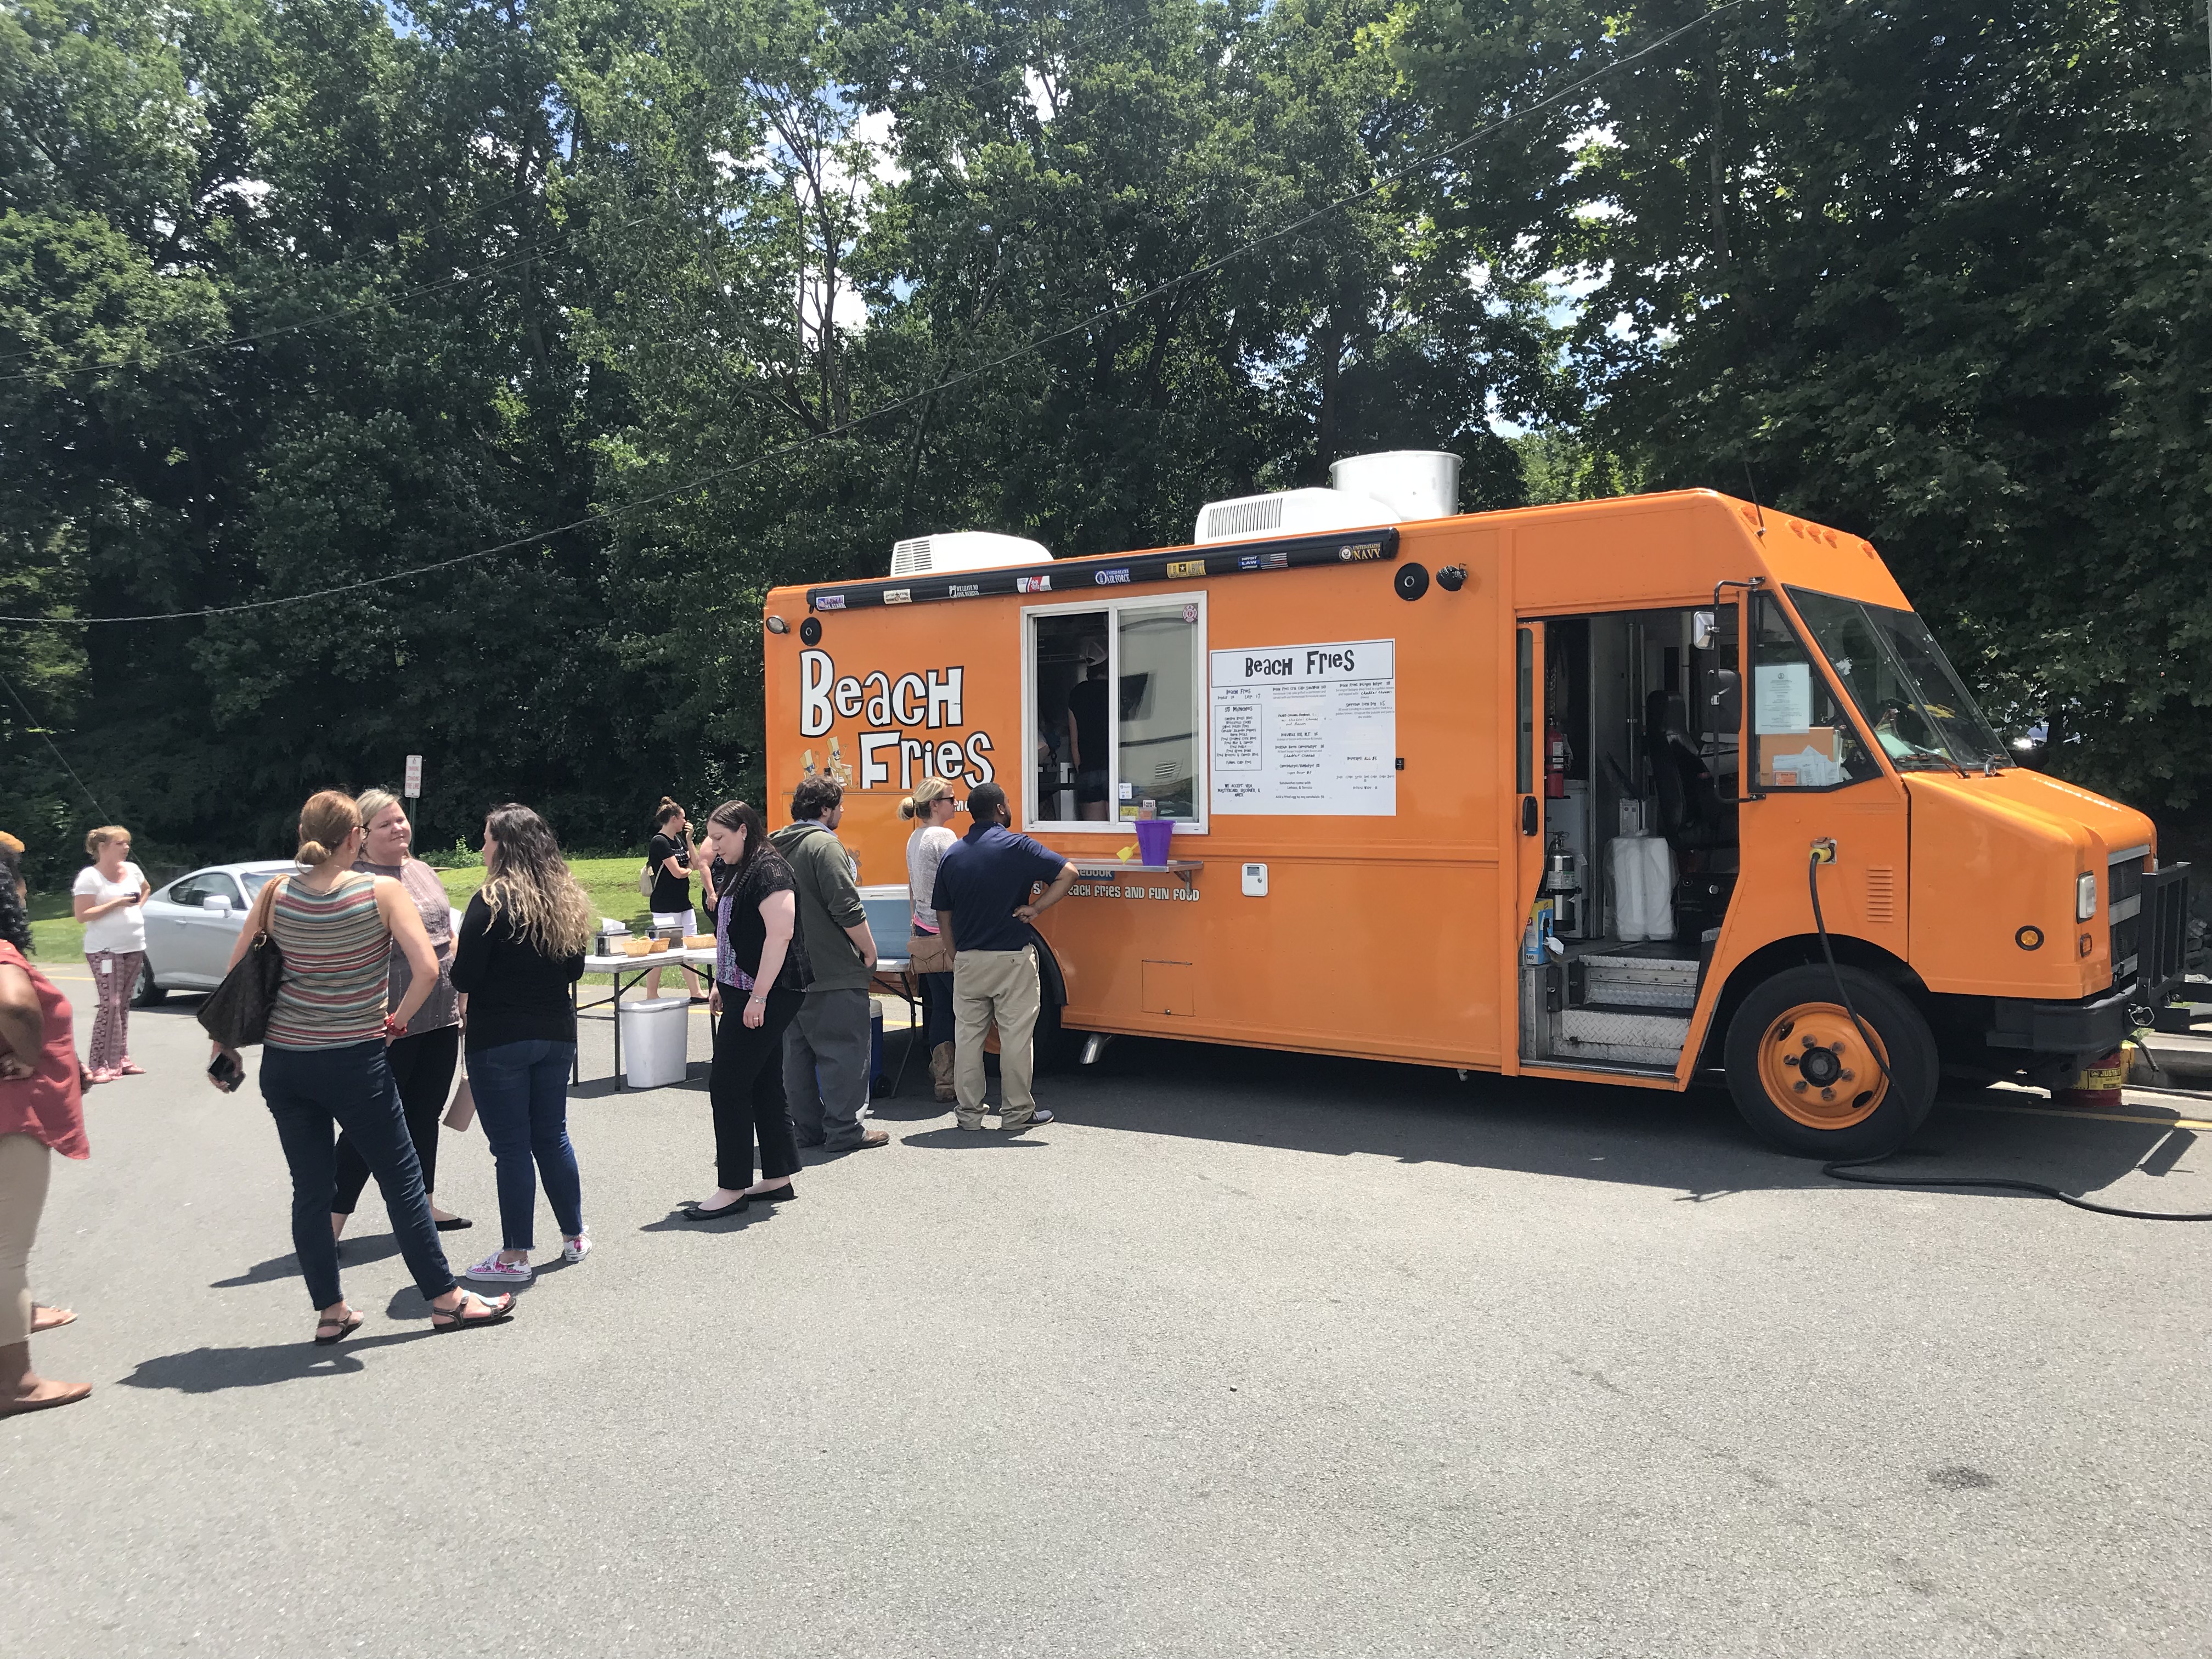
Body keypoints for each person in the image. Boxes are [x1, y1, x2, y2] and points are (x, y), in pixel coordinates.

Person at [210, 791, 514, 1342]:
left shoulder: (276, 894)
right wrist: (396, 1021)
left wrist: (224, 1048)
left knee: (311, 1191)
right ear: (354, 837)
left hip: (287, 1064)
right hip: (354, 1059)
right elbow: (427, 970)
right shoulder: (382, 891)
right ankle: (446, 1301)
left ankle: (331, 1311)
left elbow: (237, 974)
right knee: (403, 1182)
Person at [449, 804, 591, 1284]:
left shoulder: (490, 900)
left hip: (500, 1038)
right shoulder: (561, 896)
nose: (483, 846)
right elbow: (574, 969)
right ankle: (573, 1236)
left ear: (504, 845)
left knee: (511, 1148)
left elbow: (464, 975)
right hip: (555, 1032)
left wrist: (456, 953)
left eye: (487, 838)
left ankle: (514, 1256)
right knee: (552, 1136)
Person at [331, 787, 469, 1243]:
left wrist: (463, 995)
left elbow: (448, 934)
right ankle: (330, 1221)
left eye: (401, 820)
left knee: (423, 1115)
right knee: (368, 1124)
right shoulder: (354, 879)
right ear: (362, 836)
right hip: (386, 1022)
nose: (400, 828)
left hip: (440, 1017)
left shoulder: (423, 871)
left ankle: (423, 1203)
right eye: (387, 824)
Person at [681, 800, 806, 1221]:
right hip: (743, 989)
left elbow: (780, 936)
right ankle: (777, 1175)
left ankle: (731, 1187)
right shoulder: (739, 867)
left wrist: (758, 998)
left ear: (743, 831)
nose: (713, 848)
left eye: (719, 838)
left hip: (767, 992)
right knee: (763, 1081)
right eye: (711, 839)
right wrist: (722, 982)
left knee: (728, 1084)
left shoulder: (770, 870)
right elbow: (733, 935)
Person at [1, 847, 92, 1417]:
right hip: (13, 1119)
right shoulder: (4, 953)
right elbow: (16, 1004)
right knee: (7, 1253)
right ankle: (17, 1383)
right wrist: (31, 1055)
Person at [932, 782, 1079, 1133]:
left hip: (969, 959)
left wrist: (955, 953)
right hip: (1012, 957)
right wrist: (1036, 908)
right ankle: (1016, 1114)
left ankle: (969, 1116)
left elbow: (943, 913)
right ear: (1000, 809)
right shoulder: (1018, 846)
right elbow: (1068, 873)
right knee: (1015, 1037)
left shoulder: (954, 854)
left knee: (968, 1038)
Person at [769, 776, 889, 1152]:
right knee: (844, 1053)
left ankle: (806, 1130)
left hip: (785, 971)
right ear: (824, 809)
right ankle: (844, 1131)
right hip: (831, 968)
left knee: (797, 1057)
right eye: (838, 805)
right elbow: (846, 907)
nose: (842, 811)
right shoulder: (825, 847)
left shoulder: (772, 847)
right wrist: (869, 950)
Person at [71, 825, 150, 1083]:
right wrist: (117, 903)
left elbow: (146, 888)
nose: (127, 848)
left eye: (127, 843)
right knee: (111, 1004)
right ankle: (98, 1064)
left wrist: (136, 908)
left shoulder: (133, 871)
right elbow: (82, 915)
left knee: (124, 1004)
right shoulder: (90, 877)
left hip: (134, 945)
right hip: (104, 949)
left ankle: (121, 1059)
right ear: (103, 847)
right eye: (120, 843)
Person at [901, 778, 960, 1102]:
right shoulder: (943, 836)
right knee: (964, 1004)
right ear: (934, 805)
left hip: (924, 930)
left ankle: (942, 1076)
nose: (956, 803)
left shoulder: (915, 837)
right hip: (945, 932)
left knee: (940, 1006)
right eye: (950, 799)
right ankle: (955, 1077)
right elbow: (957, 882)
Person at [644, 797, 710, 1003]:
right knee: (661, 952)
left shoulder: (679, 840)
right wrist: (689, 870)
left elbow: (697, 863)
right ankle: (651, 994)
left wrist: (690, 840)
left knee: (691, 948)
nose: (686, 822)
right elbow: (678, 872)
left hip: (683, 904)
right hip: (665, 906)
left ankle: (696, 992)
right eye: (683, 818)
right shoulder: (660, 842)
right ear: (674, 819)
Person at [1064, 637, 1111, 820]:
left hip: (1088, 770)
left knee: (1098, 834)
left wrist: (1081, 770)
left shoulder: (1077, 694)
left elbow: (1074, 741)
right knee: (1122, 834)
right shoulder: (1116, 690)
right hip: (1115, 767)